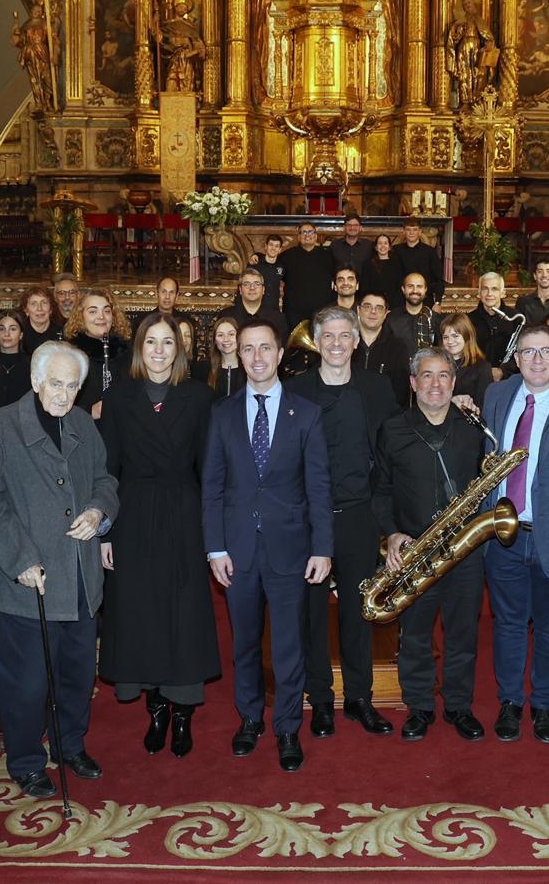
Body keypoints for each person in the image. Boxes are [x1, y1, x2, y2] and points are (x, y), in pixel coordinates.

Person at [0, 342, 119, 796]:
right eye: (56, 383)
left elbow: (105, 480)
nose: (64, 394)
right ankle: (26, 760)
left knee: (77, 674)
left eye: (73, 385)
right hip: (29, 578)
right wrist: (20, 560)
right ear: (36, 382)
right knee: (28, 680)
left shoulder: (80, 424)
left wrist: (98, 512)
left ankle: (68, 744)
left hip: (79, 577)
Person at [203, 318, 334, 772]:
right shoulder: (221, 414)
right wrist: (214, 549)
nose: (256, 357)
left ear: (280, 354)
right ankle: (249, 719)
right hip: (237, 550)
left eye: (264, 348)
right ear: (238, 357)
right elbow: (212, 488)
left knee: (288, 645)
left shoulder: (308, 414)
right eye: (247, 349)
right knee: (243, 643)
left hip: (291, 549)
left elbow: (319, 487)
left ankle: (286, 728)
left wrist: (323, 548)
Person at [98, 316, 221, 756]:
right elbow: (107, 469)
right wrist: (104, 533)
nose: (159, 350)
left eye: (168, 342)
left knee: (183, 613)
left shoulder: (199, 396)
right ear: (139, 348)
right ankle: (156, 709)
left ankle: (183, 711)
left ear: (179, 350)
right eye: (150, 341)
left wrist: (215, 533)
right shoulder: (117, 397)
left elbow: (210, 469)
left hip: (183, 512)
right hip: (130, 515)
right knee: (142, 613)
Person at [286, 306, 399, 740]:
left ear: (355, 341)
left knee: (358, 611)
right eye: (327, 336)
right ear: (317, 342)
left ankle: (359, 698)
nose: (336, 344)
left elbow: (390, 455)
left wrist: (390, 524)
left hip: (359, 516)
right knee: (311, 613)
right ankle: (320, 701)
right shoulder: (295, 391)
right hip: (308, 520)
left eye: (344, 336)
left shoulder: (377, 388)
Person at [480, 324, 549, 747]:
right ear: (517, 357)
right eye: (528, 352)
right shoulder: (498, 394)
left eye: (547, 351)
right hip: (503, 532)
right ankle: (510, 701)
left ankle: (543, 702)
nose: (538, 360)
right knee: (507, 622)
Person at [375, 349, 487, 741]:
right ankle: (420, 706)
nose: (436, 384)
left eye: (444, 376)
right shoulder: (392, 429)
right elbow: (381, 490)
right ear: (412, 383)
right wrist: (391, 533)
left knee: (462, 634)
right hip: (417, 552)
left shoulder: (473, 427)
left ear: (454, 383)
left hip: (465, 550)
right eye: (427, 376)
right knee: (416, 635)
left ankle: (458, 706)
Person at [64, 286, 131, 417]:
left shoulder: (125, 351)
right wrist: (89, 411)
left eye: (106, 311)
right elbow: (60, 403)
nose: (101, 317)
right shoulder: (70, 354)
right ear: (80, 316)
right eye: (93, 311)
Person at [353, 290, 412, 407]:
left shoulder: (398, 348)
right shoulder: (345, 344)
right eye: (367, 306)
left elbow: (401, 394)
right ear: (358, 310)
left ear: (385, 314)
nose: (373, 312)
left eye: (379, 308)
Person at [281, 221, 336, 329]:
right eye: (303, 232)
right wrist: (257, 256)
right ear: (298, 237)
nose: (307, 235)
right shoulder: (286, 256)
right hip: (294, 313)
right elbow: (271, 264)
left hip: (322, 312)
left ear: (316, 236)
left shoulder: (328, 255)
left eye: (311, 232)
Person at [440, 313, 492, 414]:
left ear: (467, 336)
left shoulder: (482, 367)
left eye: (455, 336)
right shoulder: (437, 364)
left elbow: (484, 406)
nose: (450, 341)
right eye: (445, 337)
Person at [220, 268, 288, 339]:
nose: (252, 288)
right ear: (240, 290)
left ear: (263, 290)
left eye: (257, 284)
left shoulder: (277, 318)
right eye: (247, 284)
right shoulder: (226, 316)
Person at [466, 271, 516, 370]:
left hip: (508, 378)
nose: (489, 294)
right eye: (485, 289)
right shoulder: (468, 320)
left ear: (503, 293)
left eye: (494, 289)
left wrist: (503, 371)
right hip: (476, 376)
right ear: (479, 293)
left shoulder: (515, 318)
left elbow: (523, 353)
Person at [0, 310, 33, 410]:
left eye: (12, 329)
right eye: (1, 329)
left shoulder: (31, 364)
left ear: (21, 335)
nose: (6, 334)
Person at [390, 216, 443, 304]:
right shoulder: (395, 250)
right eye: (408, 230)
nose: (411, 233)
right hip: (400, 300)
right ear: (403, 231)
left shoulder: (430, 252)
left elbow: (438, 279)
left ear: (420, 231)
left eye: (415, 230)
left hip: (425, 299)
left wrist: (438, 302)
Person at [387, 272, 441, 352]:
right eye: (410, 286)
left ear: (425, 289)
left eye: (419, 286)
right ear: (403, 289)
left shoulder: (435, 319)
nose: (415, 291)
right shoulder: (391, 318)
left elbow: (441, 350)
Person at [361, 232, 405, 311]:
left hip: (394, 305)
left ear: (389, 247)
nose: (383, 246)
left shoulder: (397, 263)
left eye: (385, 243)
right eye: (380, 243)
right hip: (374, 304)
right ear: (376, 247)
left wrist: (393, 306)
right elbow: (365, 286)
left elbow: (400, 285)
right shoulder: (368, 264)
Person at [207, 316, 246, 398]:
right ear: (215, 340)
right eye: (220, 335)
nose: (226, 339)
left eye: (231, 334)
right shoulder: (204, 369)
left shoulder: (249, 368)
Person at [248, 233, 286, 311]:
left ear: (280, 249)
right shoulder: (255, 262)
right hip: (255, 308)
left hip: (273, 308)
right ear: (266, 246)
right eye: (271, 245)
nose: (273, 248)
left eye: (276, 246)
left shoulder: (282, 267)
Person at [19, 284, 56, 357]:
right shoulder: (19, 334)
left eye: (44, 302)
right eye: (33, 304)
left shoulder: (62, 333)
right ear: (26, 310)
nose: (39, 308)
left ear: (51, 309)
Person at [49, 272, 80, 341]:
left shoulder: (85, 319)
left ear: (78, 295)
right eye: (62, 293)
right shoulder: (48, 321)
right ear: (55, 296)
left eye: (72, 293)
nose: (67, 297)